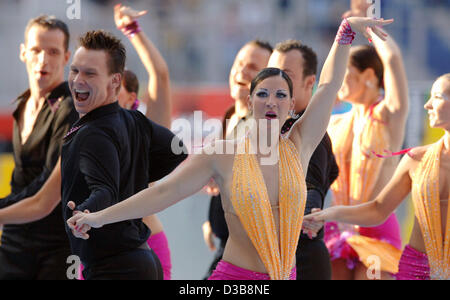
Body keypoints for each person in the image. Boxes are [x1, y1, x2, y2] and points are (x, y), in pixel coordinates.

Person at [68, 17, 394, 280]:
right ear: (250, 101)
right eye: (263, 93)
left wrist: (345, 33)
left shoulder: (300, 145)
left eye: (281, 95)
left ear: (292, 105)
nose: (271, 101)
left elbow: (328, 86)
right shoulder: (223, 153)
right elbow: (164, 192)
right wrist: (99, 217)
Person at [0, 30, 187, 280]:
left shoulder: (91, 133)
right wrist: (131, 180)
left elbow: (104, 190)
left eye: (90, 73)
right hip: (138, 262)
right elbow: (177, 150)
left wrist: (87, 213)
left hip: (116, 268)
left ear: (115, 82)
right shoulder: (132, 119)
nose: (78, 80)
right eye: (75, 70)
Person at [305, 74, 450, 280]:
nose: (427, 105)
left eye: (437, 97)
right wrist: (328, 214)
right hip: (416, 269)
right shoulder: (416, 158)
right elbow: (378, 209)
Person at [323, 7, 409, 279]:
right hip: (339, 231)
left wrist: (368, 29)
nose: (341, 80)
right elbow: (326, 82)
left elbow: (393, 58)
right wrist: (344, 35)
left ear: (369, 77)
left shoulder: (387, 116)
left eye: (347, 72)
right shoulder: (335, 123)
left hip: (377, 232)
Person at [0, 15, 78, 280]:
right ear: (23, 52)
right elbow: (21, 180)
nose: (43, 60)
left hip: (56, 245)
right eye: (36, 50)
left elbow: (46, 192)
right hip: (15, 238)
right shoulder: (22, 105)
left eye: (53, 52)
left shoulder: (70, 108)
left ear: (67, 57)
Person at [267, 39, 339, 280]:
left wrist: (309, 211)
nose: (276, 81)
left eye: (286, 75)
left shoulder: (307, 135)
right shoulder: (263, 127)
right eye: (270, 72)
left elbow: (310, 187)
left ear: (310, 82)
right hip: (262, 257)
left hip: (300, 258)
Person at [202, 39, 273, 279]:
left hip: (248, 256)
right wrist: (212, 221)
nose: (241, 71)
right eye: (239, 63)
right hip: (224, 244)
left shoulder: (266, 128)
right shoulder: (230, 115)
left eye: (252, 67)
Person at [115, 4, 173, 280]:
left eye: (115, 87)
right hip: (94, 249)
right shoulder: (79, 131)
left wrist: (131, 30)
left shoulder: (144, 133)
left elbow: (160, 76)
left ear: (131, 97)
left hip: (146, 243)